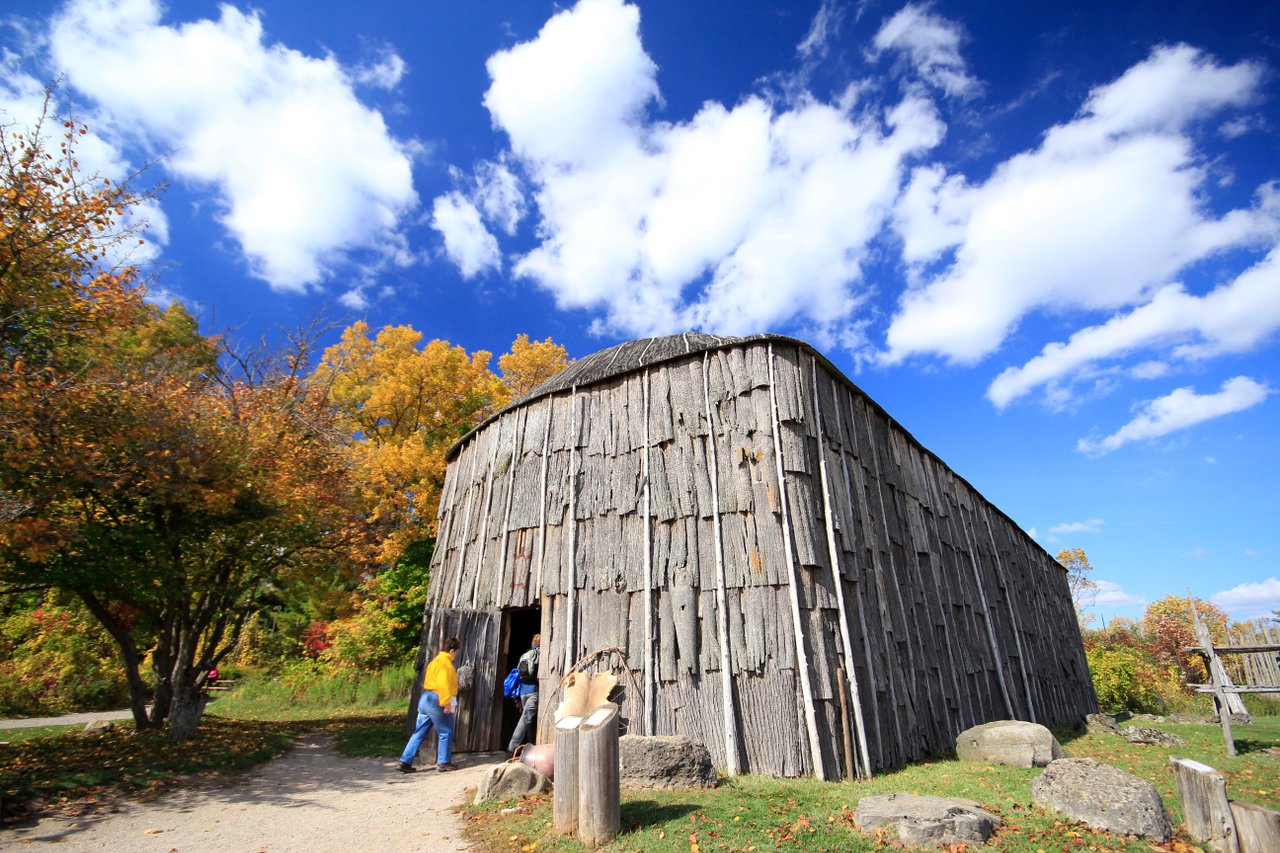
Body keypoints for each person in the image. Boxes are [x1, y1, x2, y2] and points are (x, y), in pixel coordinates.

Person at [399, 636, 461, 773]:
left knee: (419, 731)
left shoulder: (434, 662)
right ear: (452, 651)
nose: (456, 655)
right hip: (437, 699)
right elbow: (443, 684)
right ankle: (444, 762)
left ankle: (405, 761)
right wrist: (446, 703)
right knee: (446, 731)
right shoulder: (445, 664)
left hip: (426, 698)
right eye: (456, 652)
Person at [506, 634, 540, 757]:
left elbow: (518, 676)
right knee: (526, 718)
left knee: (529, 720)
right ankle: (511, 748)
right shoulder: (539, 654)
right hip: (533, 691)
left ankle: (532, 746)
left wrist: (517, 699)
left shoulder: (524, 655)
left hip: (523, 692)